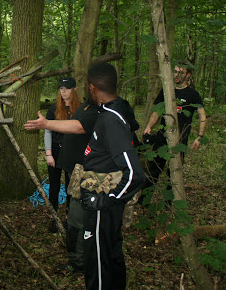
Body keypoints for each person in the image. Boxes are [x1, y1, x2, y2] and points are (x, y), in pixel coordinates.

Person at [25, 72, 140, 275]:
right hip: (82, 174)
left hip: (100, 182)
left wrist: (46, 124)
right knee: (77, 221)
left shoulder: (110, 114)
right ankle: (79, 262)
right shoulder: (92, 107)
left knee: (88, 225)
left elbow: (78, 127)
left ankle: (89, 264)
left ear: (92, 88)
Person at [81, 62, 145, 290]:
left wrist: (107, 199)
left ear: (92, 88)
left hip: (102, 206)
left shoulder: (111, 120)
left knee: (97, 264)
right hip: (103, 204)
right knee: (111, 257)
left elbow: (135, 174)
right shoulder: (113, 111)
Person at [142, 61, 207, 202]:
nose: (177, 75)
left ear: (188, 75)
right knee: (154, 170)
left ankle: (168, 204)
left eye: (181, 73)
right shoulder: (166, 90)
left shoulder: (193, 94)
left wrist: (199, 136)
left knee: (174, 174)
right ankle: (143, 202)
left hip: (179, 141)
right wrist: (149, 126)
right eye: (175, 71)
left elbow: (202, 115)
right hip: (161, 138)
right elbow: (156, 111)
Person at [44, 77, 81, 232]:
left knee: (70, 186)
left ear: (74, 90)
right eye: (61, 88)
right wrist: (48, 153)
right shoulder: (53, 109)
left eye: (67, 88)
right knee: (54, 185)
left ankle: (69, 217)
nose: (63, 91)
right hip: (56, 151)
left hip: (72, 153)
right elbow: (47, 131)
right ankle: (53, 217)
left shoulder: (80, 109)